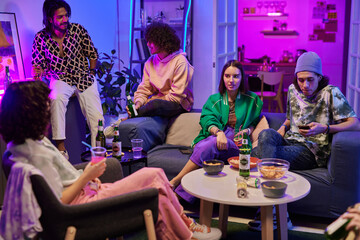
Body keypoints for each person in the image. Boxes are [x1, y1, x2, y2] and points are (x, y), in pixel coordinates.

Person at [0, 81, 222, 240]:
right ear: (31, 112)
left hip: (85, 193)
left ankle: (187, 230)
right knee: (154, 175)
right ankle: (188, 230)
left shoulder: (21, 146)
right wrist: (87, 176)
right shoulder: (35, 153)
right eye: (45, 105)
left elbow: (60, 181)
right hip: (81, 207)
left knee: (159, 192)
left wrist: (84, 177)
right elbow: (60, 200)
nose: (49, 108)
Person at [249, 51, 360, 231]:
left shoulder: (331, 93)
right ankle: (278, 211)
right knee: (265, 135)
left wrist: (326, 128)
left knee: (256, 155)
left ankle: (268, 210)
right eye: (301, 80)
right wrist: (277, 132)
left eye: (310, 80)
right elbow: (288, 119)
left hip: (311, 151)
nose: (305, 85)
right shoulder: (293, 90)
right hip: (289, 142)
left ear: (319, 77)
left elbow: (355, 123)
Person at [170, 60, 263, 203]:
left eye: (236, 76)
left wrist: (248, 131)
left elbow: (256, 121)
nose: (231, 80)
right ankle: (182, 196)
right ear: (222, 78)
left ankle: (176, 181)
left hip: (237, 146)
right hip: (217, 136)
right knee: (210, 148)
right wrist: (219, 133)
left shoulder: (252, 99)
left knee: (209, 145)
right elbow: (207, 119)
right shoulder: (215, 99)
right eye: (227, 76)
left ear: (242, 77)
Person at [31, 0, 104, 158]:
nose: (65, 20)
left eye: (66, 16)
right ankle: (61, 150)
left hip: (83, 76)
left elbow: (92, 53)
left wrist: (91, 72)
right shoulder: (40, 38)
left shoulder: (78, 30)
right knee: (56, 99)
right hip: (60, 77)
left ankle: (97, 155)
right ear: (50, 19)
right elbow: (39, 64)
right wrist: (38, 72)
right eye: (60, 17)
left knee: (97, 117)